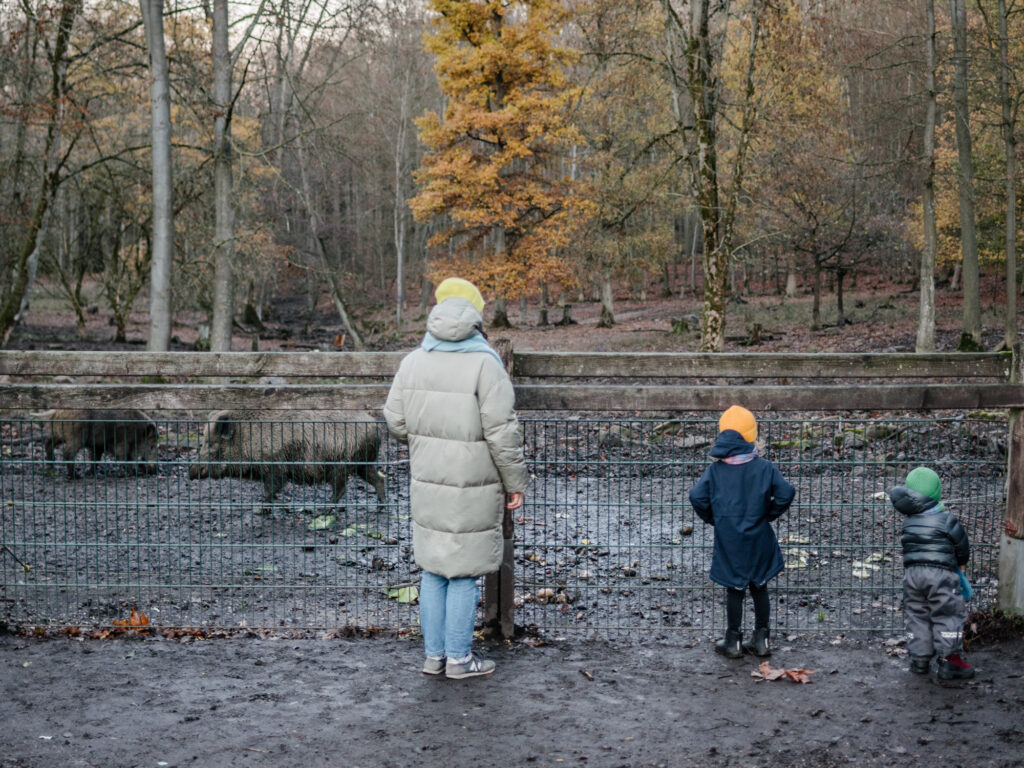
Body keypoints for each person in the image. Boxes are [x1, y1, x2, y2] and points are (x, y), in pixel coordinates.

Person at [383, 277, 529, 680]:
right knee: (464, 571)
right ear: (476, 318)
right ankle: (460, 661)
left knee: (433, 569)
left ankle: (434, 657)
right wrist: (515, 482)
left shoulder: (413, 361)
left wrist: (427, 439)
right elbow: (502, 430)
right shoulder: (486, 363)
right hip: (474, 483)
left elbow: (395, 420)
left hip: (429, 480)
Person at [688, 405, 796, 658]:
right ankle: (762, 640)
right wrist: (769, 514)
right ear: (751, 435)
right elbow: (786, 493)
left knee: (735, 589)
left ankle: (733, 641)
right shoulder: (765, 468)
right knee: (760, 585)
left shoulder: (715, 471)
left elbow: (697, 497)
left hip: (729, 540)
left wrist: (715, 519)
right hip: (759, 536)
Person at [888, 466, 974, 679]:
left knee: (917, 614)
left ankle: (919, 659)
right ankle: (949, 661)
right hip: (941, 575)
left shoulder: (909, 522)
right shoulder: (946, 519)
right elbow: (961, 546)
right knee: (947, 613)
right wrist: (961, 563)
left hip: (913, 576)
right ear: (936, 493)